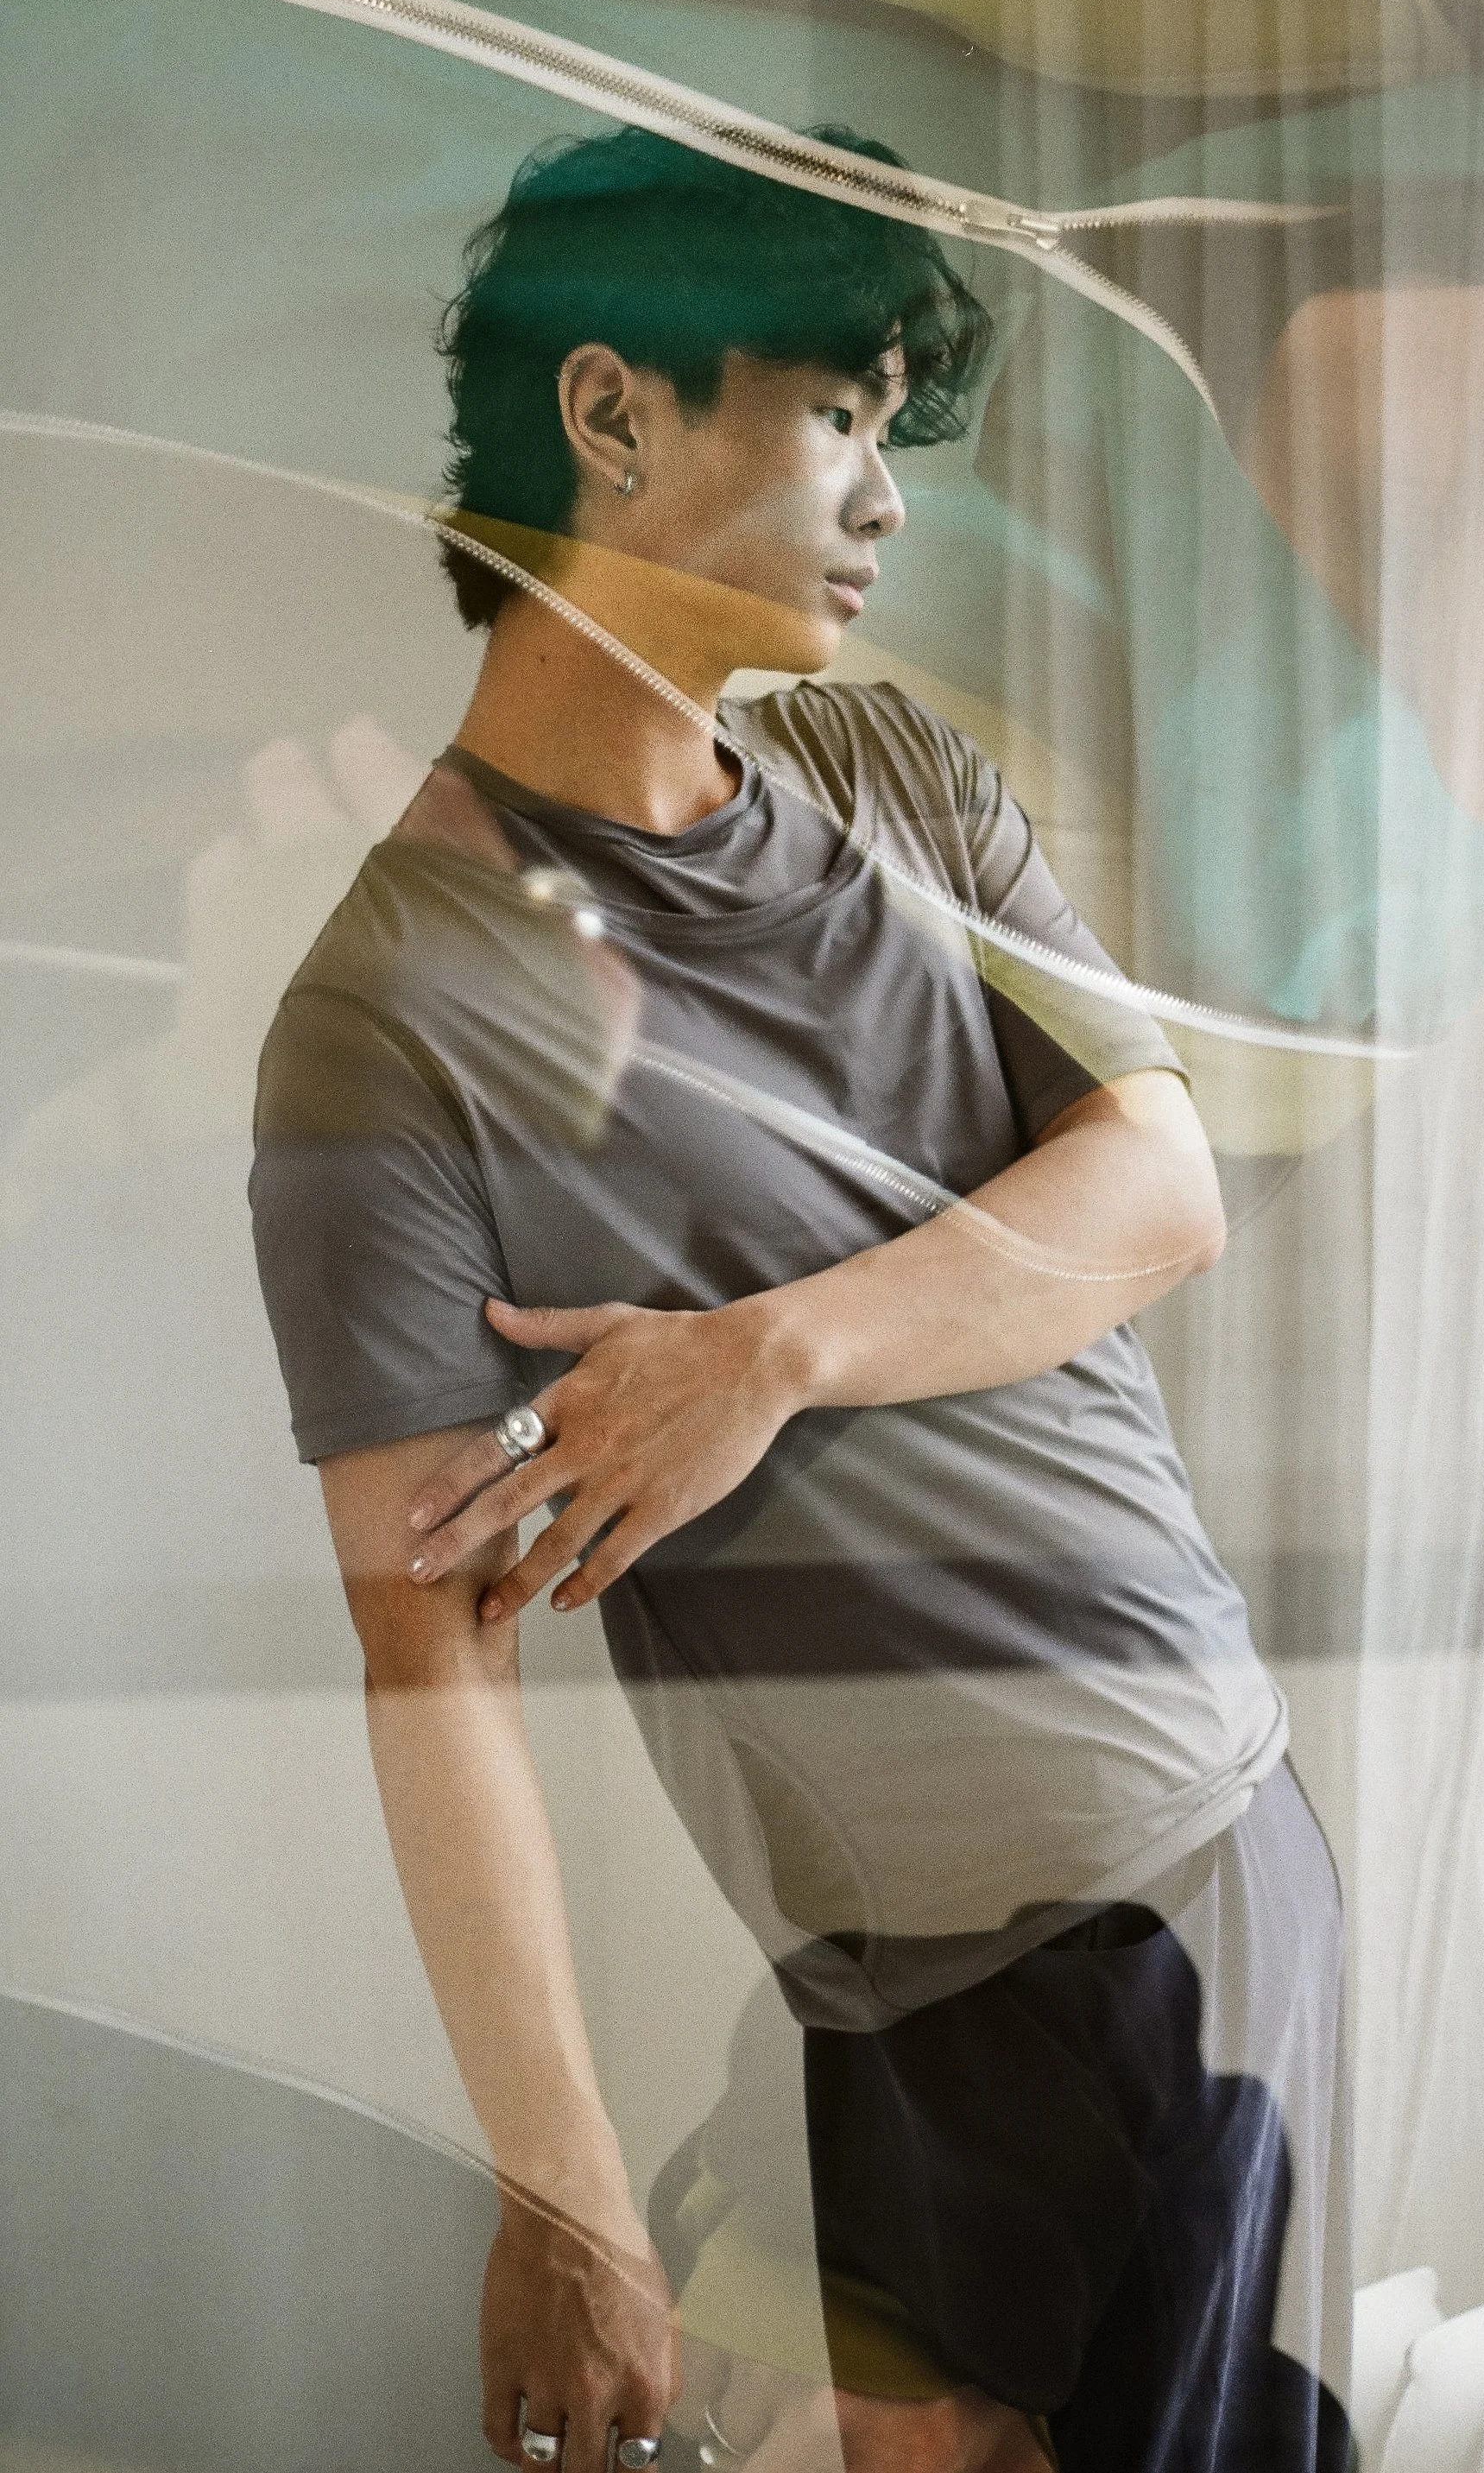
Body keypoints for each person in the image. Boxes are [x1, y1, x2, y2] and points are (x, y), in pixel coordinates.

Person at [249, 124, 1350, 2473]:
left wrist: (765, 1359)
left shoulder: (905, 784)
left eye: (889, 425)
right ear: (615, 413)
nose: (890, 493)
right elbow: (429, 1661)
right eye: (833, 412)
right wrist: (555, 2200)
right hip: (890, 1990)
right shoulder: (389, 1014)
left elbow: (1159, 1188)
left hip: (1198, 1860)